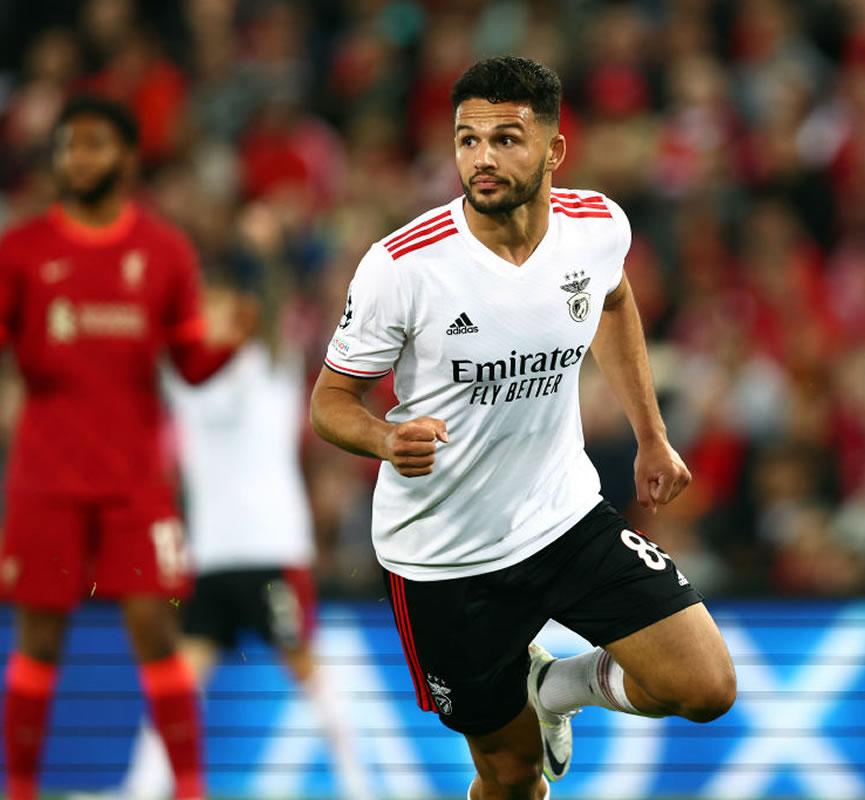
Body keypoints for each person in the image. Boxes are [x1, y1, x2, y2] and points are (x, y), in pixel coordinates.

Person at [309, 56, 736, 800]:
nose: (482, 158)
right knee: (510, 779)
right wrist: (383, 438)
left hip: (562, 516)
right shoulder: (403, 267)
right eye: (467, 140)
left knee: (706, 686)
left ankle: (555, 687)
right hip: (443, 555)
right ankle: (528, 703)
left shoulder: (597, 228)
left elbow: (612, 301)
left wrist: (651, 434)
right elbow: (329, 401)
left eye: (506, 138)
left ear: (553, 150)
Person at [0, 96, 245, 800]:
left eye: (93, 145)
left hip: (135, 480)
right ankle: (20, 790)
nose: (77, 158)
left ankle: (190, 790)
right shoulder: (20, 247)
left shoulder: (164, 251)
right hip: (46, 477)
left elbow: (188, 362)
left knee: (156, 636)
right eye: (68, 146)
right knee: (38, 643)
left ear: (127, 157)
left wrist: (226, 347)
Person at [116, 271, 374, 800]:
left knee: (305, 668)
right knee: (180, 679)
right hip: (211, 555)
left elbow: (277, 305)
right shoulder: (183, 375)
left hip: (271, 548)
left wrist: (258, 261)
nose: (206, 319)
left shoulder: (269, 363)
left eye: (217, 307)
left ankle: (358, 785)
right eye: (202, 310)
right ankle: (139, 789)